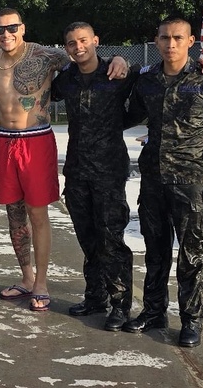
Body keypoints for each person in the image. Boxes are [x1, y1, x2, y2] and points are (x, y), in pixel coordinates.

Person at [0, 8, 128, 312]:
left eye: (12, 28)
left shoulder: (48, 56)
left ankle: (41, 283)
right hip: (5, 142)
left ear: (23, 28)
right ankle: (26, 277)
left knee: (38, 215)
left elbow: (86, 60)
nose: (5, 34)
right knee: (14, 215)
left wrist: (120, 59)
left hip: (36, 141)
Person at [123, 16, 203, 347]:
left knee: (193, 254)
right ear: (156, 41)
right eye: (164, 37)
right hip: (154, 181)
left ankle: (192, 320)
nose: (170, 44)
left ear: (191, 42)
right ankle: (154, 311)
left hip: (193, 183)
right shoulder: (147, 81)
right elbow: (128, 114)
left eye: (177, 38)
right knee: (155, 251)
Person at [51, 22, 138, 330]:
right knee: (88, 238)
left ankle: (120, 304)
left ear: (95, 40)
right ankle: (95, 295)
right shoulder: (67, 80)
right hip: (76, 171)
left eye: (83, 40)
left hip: (109, 171)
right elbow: (40, 89)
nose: (78, 47)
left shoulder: (117, 74)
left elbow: (140, 104)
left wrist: (122, 58)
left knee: (111, 239)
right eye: (72, 43)